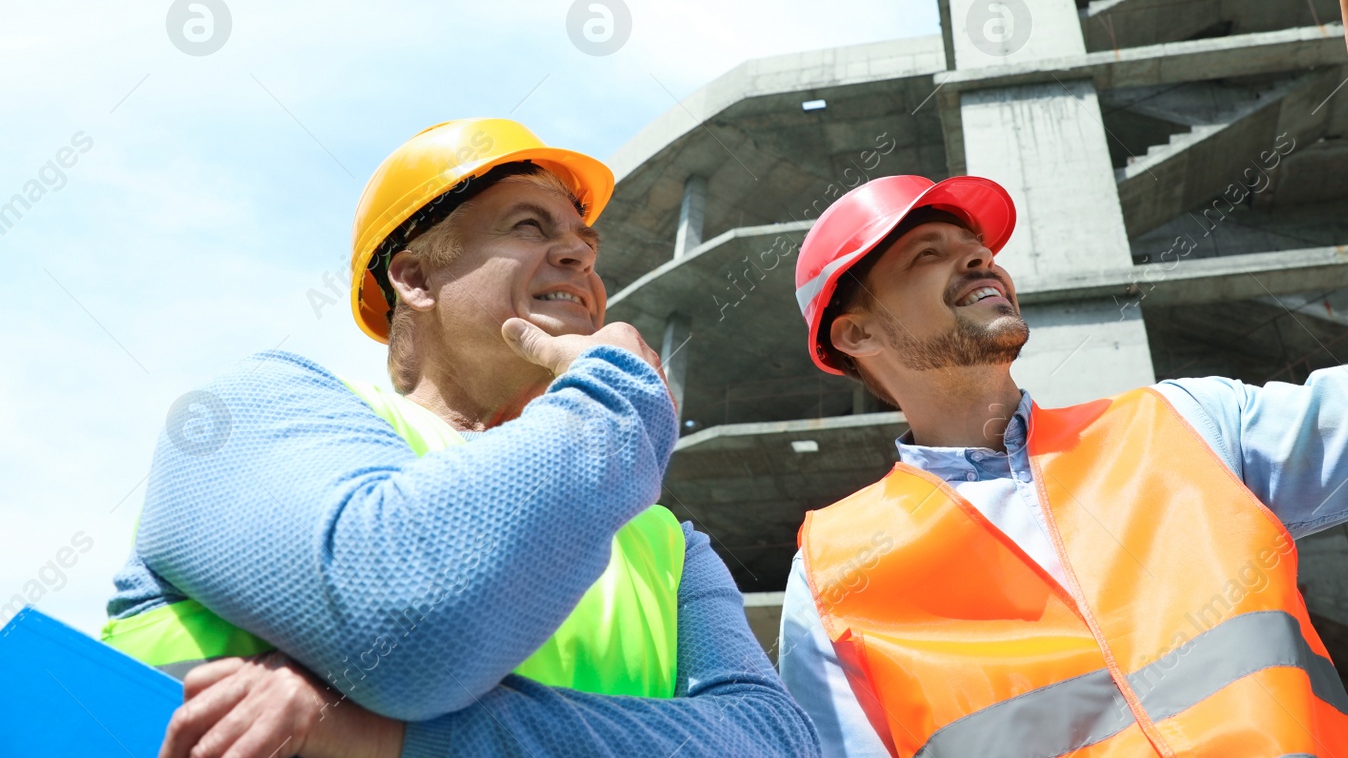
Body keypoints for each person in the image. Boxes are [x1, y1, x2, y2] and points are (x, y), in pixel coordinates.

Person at [777, 0, 1348, 757]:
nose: (977, 256)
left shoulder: (1184, 427)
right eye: (926, 253)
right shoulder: (835, 575)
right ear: (855, 333)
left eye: (975, 244)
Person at [100, 118, 819, 758]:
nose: (578, 257)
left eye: (585, 245)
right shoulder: (254, 413)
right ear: (413, 276)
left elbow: (774, 744)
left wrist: (406, 738)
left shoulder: (666, 543)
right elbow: (407, 628)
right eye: (531, 228)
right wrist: (614, 402)